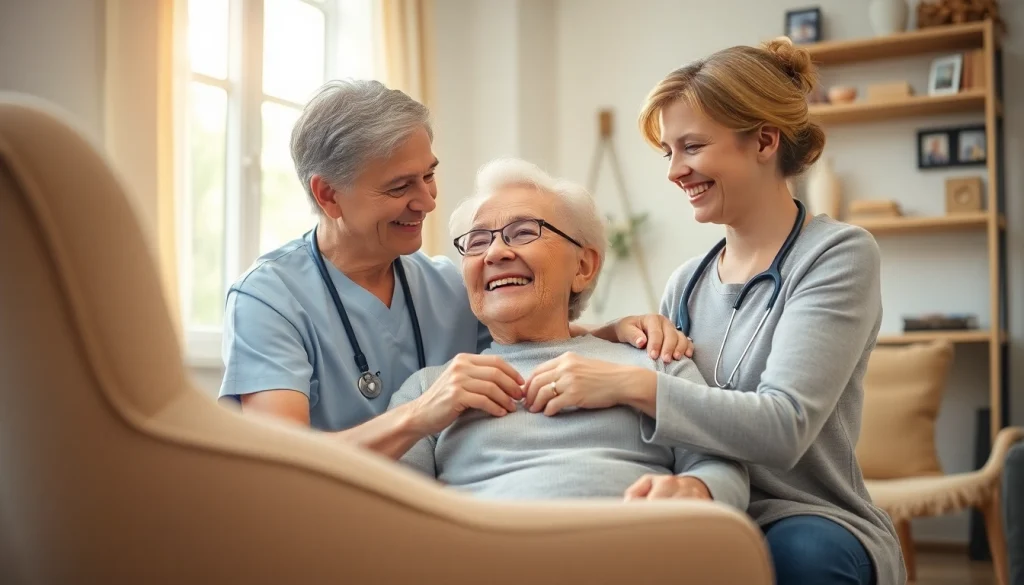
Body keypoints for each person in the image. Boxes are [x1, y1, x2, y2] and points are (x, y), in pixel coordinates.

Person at [511, 39, 904, 585]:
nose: (675, 171)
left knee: (799, 557)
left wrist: (629, 384)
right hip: (706, 504)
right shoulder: (688, 282)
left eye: (691, 147)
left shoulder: (837, 255)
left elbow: (784, 427)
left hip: (805, 517)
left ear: (764, 140)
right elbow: (667, 393)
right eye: (668, 152)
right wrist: (612, 330)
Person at [218, 79, 690, 439]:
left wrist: (617, 334)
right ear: (328, 195)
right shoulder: (268, 298)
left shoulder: (446, 283)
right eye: (400, 186)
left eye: (429, 176)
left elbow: (537, 338)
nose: (426, 201)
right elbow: (281, 465)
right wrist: (421, 414)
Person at [375, 157, 748, 509]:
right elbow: (387, 505)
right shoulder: (431, 389)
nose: (495, 253)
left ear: (583, 266)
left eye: (523, 233)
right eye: (477, 242)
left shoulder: (655, 359)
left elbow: (723, 465)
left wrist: (696, 489)